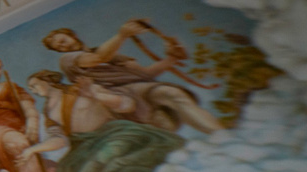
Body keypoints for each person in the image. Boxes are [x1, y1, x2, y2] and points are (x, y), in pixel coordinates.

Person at [42, 24, 226, 134]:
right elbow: (99, 58)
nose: (63, 47)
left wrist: (171, 58)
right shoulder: (67, 60)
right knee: (165, 123)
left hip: (139, 89)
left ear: (72, 35)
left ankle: (220, 135)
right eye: (58, 47)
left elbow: (144, 75)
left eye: (63, 41)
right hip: (116, 96)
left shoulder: (109, 53)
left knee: (172, 95)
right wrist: (123, 34)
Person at [25, 70, 184, 172]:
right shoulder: (48, 111)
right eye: (30, 88)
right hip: (82, 145)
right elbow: (60, 140)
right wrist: (33, 150)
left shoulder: (81, 88)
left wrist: (96, 95)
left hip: (114, 132)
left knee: (100, 162)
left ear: (48, 80)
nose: (33, 90)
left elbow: (127, 105)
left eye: (35, 85)